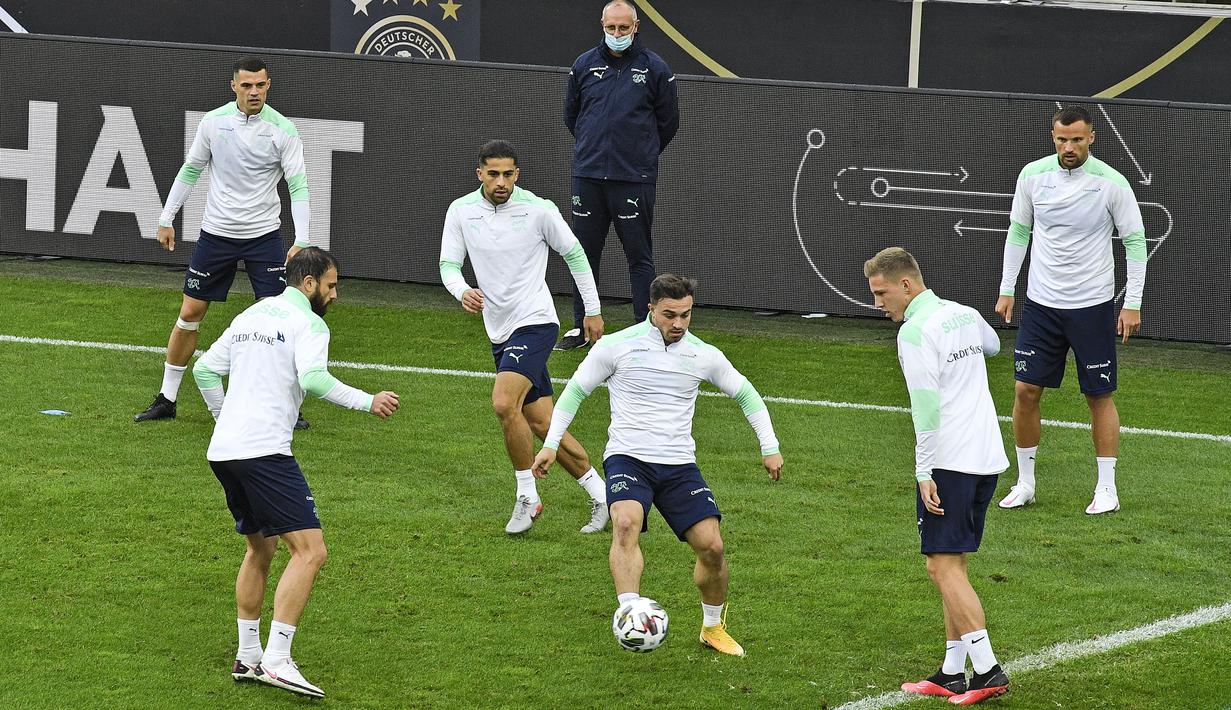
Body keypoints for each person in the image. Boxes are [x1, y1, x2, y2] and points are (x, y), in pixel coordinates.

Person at [532, 274, 783, 658]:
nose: (679, 324)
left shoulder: (703, 354)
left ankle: (712, 628)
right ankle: (630, 611)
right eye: (670, 315)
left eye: (685, 315)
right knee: (626, 523)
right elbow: (574, 394)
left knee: (712, 547)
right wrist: (551, 445)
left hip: (679, 466)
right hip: (628, 457)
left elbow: (747, 396)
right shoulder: (616, 347)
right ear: (651, 309)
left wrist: (770, 447)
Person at [193, 247, 399, 699]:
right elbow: (314, 380)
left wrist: (223, 416)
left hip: (225, 450)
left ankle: (247, 656)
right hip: (265, 452)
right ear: (308, 284)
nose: (334, 294)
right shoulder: (309, 323)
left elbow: (205, 369)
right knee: (311, 551)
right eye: (330, 285)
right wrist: (369, 401)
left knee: (260, 550)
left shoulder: (250, 316)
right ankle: (277, 659)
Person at [439, 140, 610, 535]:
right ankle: (603, 498)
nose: (501, 182)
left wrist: (593, 310)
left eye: (508, 174)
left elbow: (576, 254)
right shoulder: (461, 211)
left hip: (535, 322)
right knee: (540, 421)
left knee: (503, 402)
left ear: (518, 174)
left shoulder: (538, 210)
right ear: (478, 173)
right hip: (497, 329)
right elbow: (449, 263)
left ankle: (527, 496)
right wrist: (461, 290)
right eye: (493, 173)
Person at [864, 247, 1010, 705]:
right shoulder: (961, 313)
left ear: (906, 285)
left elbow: (925, 410)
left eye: (881, 292)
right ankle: (951, 671)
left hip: (950, 461)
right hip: (986, 458)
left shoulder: (914, 332)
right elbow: (994, 345)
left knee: (940, 566)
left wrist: (922, 469)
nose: (877, 303)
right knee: (954, 566)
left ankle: (987, 671)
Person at [136, 56, 312, 429]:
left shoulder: (283, 130)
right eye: (246, 85)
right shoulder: (213, 123)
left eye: (260, 85)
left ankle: (286, 407)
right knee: (189, 314)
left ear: (268, 86)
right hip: (215, 236)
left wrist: (303, 238)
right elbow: (191, 169)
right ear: (233, 86)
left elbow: (298, 186)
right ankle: (167, 398)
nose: (254, 92)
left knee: (278, 323)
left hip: (264, 238)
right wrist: (166, 219)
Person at [995, 105, 1147, 515]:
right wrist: (1007, 287)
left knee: (1098, 394)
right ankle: (1025, 482)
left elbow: (1135, 241)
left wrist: (1132, 302)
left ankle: (1107, 489)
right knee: (1025, 390)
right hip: (1041, 305)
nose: (1068, 147)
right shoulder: (1032, 175)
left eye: (1077, 139)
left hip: (1092, 306)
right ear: (1053, 137)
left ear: (1091, 138)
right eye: (1062, 139)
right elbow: (1019, 231)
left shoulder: (1111, 183)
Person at [556, 0, 679, 350]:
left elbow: (669, 122)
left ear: (636, 27)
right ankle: (581, 327)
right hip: (589, 175)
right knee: (582, 254)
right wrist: (592, 149)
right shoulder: (584, 64)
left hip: (633, 178)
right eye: (611, 28)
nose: (617, 34)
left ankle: (645, 330)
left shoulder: (655, 68)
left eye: (624, 28)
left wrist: (639, 155)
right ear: (602, 25)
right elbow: (572, 116)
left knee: (639, 257)